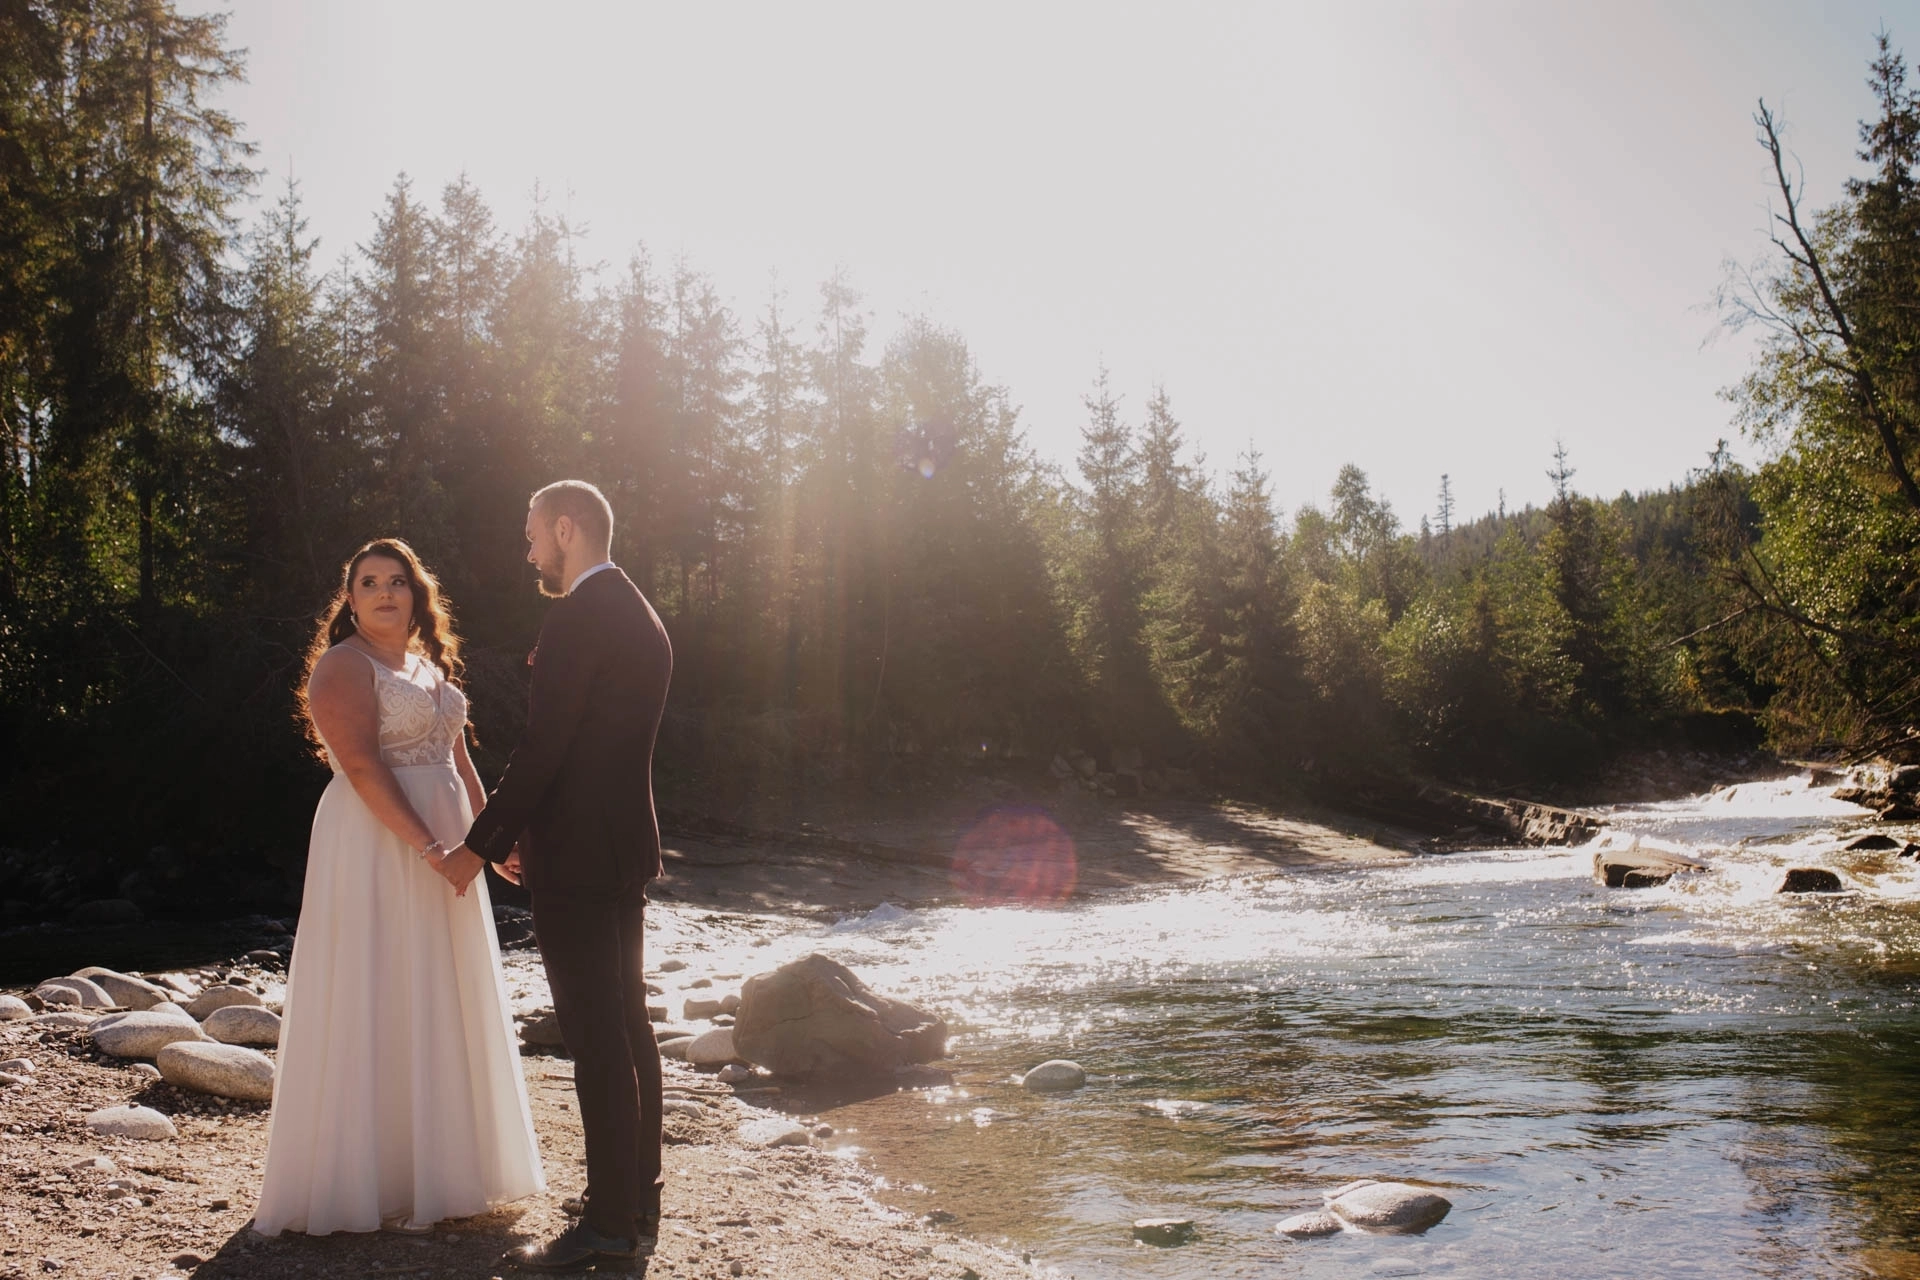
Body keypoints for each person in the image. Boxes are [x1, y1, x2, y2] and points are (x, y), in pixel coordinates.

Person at [255, 539, 544, 1237]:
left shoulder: (428, 665)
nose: (384, 592)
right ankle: (364, 1178)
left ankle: (445, 1170)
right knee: (377, 985)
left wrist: (491, 840)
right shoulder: (342, 666)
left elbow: (460, 763)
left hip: (451, 842)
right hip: (378, 842)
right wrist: (432, 849)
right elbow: (360, 767)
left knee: (440, 985)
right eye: (369, 582)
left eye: (396, 581)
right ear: (350, 600)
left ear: (417, 595)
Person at [426, 480, 674, 1271]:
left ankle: (608, 1225)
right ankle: (636, 1197)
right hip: (622, 846)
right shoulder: (642, 614)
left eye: (533, 533)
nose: (529, 549)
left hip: (577, 855)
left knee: (597, 1036)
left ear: (568, 529)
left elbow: (546, 747)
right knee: (628, 1025)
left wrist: (479, 845)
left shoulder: (576, 617)